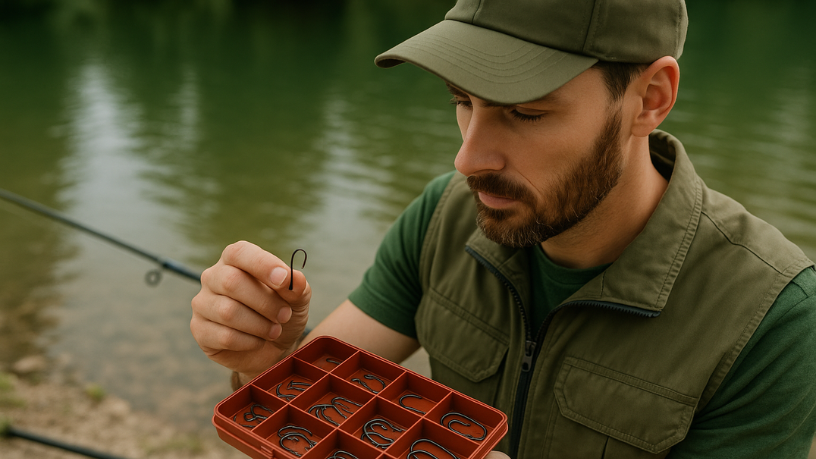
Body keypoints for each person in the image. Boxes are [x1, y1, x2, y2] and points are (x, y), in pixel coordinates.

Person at [190, 0, 816, 457]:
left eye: (526, 112)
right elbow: (307, 416)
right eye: (462, 100)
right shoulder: (444, 215)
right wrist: (266, 364)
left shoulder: (773, 318)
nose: (467, 159)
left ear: (649, 98)